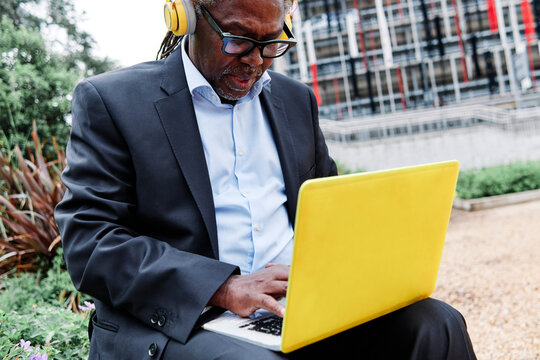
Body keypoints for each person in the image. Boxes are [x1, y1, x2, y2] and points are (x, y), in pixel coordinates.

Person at [54, 0, 477, 358]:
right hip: (189, 320)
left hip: (298, 309)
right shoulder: (112, 101)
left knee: (436, 324)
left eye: (272, 42)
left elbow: (326, 212)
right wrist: (223, 287)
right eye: (238, 39)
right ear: (186, 17)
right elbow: (91, 243)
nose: (256, 60)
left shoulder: (296, 100)